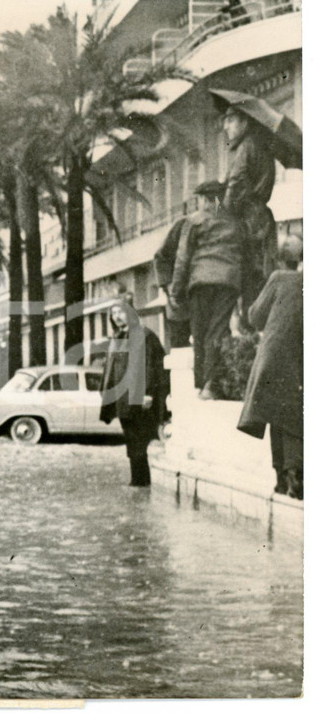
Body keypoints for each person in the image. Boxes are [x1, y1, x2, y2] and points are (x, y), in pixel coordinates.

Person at [237, 235, 303, 499]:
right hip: (299, 359)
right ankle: (295, 477)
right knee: (293, 415)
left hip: (273, 359)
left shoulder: (277, 278)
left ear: (280, 259)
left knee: (277, 414)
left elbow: (255, 316)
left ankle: (282, 479)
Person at [171, 181, 244, 399]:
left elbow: (182, 258)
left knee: (200, 333)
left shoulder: (194, 220)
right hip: (228, 282)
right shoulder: (234, 222)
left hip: (201, 282)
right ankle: (211, 385)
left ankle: (203, 386)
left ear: (203, 199)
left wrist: (176, 291)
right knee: (218, 331)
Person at [99, 293, 168, 487]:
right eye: (113, 313)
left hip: (140, 399)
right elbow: (111, 368)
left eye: (120, 312)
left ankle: (142, 482)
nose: (116, 316)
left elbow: (151, 366)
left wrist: (148, 393)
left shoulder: (144, 335)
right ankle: (137, 481)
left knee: (140, 441)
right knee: (131, 440)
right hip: (123, 399)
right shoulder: (117, 338)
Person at [221, 105, 277, 310]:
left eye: (230, 120)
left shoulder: (246, 146)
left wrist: (221, 214)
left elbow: (236, 184)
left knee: (249, 285)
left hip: (248, 220)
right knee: (262, 280)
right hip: (260, 218)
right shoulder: (262, 145)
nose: (225, 126)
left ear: (244, 122)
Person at [153, 217, 191, 348]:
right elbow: (160, 257)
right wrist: (171, 287)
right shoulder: (184, 225)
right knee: (180, 348)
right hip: (180, 305)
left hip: (207, 304)